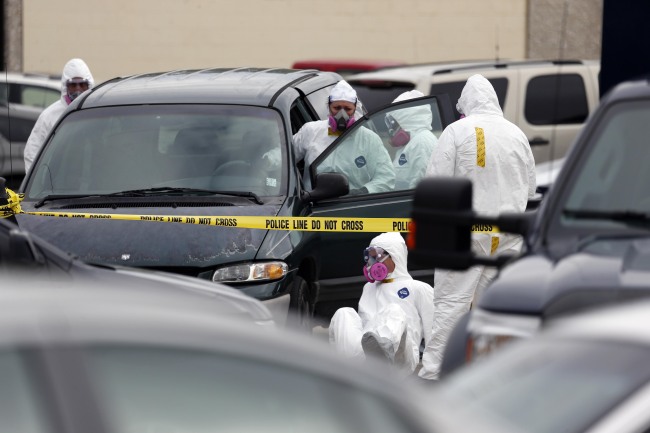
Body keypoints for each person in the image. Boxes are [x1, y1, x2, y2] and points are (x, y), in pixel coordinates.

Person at [418, 74, 536, 380]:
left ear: (466, 103)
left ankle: (434, 375)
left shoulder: (456, 131)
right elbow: (530, 190)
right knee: (493, 314)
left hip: (464, 237)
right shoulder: (517, 135)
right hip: (507, 240)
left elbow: (436, 184)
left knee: (450, 308)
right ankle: (491, 379)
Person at [329, 232, 434, 374]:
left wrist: (432, 372)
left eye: (376, 257)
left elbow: (434, 332)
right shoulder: (368, 288)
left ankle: (380, 352)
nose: (371, 263)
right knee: (344, 313)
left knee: (393, 311)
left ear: (395, 256)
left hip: (400, 360)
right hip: (364, 359)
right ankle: (349, 369)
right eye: (370, 257)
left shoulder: (418, 288)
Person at [292, 80, 395, 194]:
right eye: (337, 108)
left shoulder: (369, 139)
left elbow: (386, 177)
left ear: (355, 109)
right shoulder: (310, 131)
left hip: (351, 206)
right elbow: (281, 158)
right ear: (329, 107)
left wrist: (362, 192)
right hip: (313, 206)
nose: (342, 114)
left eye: (347, 109)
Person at [24, 58, 95, 173]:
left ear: (89, 85)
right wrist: (38, 184)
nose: (78, 90)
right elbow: (32, 152)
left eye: (82, 85)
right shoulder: (50, 116)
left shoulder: (97, 113)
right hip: (61, 184)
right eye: (73, 85)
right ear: (65, 86)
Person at [386, 90, 438, 190]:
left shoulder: (422, 141)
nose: (391, 129)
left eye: (393, 123)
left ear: (405, 119)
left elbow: (421, 186)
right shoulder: (411, 142)